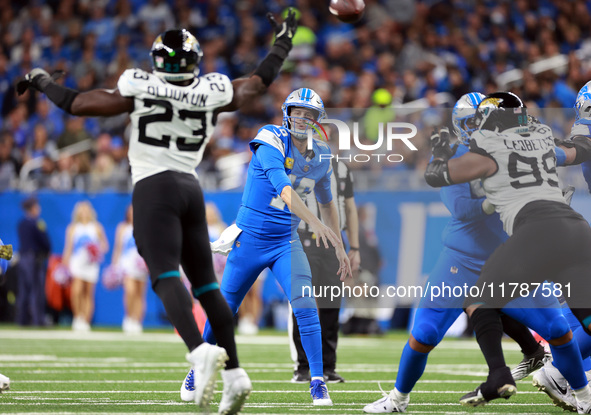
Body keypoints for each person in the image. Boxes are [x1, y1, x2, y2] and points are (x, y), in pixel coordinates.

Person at [18, 11, 299, 413]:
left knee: (165, 275)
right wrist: (283, 40)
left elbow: (78, 104)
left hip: (153, 186)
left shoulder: (139, 82)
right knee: (205, 285)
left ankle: (198, 351)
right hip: (190, 187)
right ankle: (236, 373)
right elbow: (258, 82)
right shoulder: (212, 89)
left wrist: (43, 80)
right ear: (195, 60)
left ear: (157, 61)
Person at [362, 93, 553, 413]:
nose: (479, 127)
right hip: (461, 261)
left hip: (509, 262)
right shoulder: (454, 155)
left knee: (561, 328)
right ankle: (398, 398)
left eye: (483, 119)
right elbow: (461, 208)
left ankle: (576, 385)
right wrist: (495, 200)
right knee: (424, 333)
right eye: (471, 122)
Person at [182, 88, 352, 406]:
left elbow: (329, 203)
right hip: (249, 239)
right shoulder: (270, 137)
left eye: (309, 114)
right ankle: (198, 368)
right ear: (287, 113)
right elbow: (284, 189)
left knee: (306, 304)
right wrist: (314, 224)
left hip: (285, 241)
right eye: (297, 112)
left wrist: (338, 244)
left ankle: (317, 381)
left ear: (317, 120)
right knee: (224, 310)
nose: (302, 118)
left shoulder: (323, 154)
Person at [424, 91, 591, 412]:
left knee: (480, 300)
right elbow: (578, 150)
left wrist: (439, 153)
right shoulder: (542, 137)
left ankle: (501, 374)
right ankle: (554, 370)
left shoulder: (489, 149)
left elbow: (438, 176)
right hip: (573, 227)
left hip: (535, 231)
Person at [290, 158, 360, 384]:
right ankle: (302, 367)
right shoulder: (297, 163)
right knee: (303, 302)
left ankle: (328, 366)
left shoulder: (341, 167)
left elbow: (349, 207)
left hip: (332, 241)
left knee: (331, 304)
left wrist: (354, 246)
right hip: (303, 238)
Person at [62, 200, 108, 332]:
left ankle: (86, 321)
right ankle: (78, 317)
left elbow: (104, 245)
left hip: (91, 264)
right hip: (77, 263)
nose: (84, 213)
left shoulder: (97, 227)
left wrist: (95, 250)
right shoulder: (72, 228)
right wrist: (64, 265)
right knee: (76, 291)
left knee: (88, 293)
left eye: (86, 210)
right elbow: (68, 248)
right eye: (81, 210)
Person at [111, 204, 148, 334]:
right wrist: (114, 266)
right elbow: (118, 248)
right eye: (130, 211)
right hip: (127, 265)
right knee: (130, 291)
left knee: (140, 294)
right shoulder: (122, 228)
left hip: (142, 265)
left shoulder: (145, 227)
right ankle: (129, 317)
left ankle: (137, 321)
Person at [16, 196, 51, 326]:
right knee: (36, 290)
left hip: (22, 258)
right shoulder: (37, 223)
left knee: (23, 290)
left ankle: (22, 320)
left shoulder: (21, 223)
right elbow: (44, 241)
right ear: (32, 208)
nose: (39, 209)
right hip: (34, 259)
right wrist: (47, 251)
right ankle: (38, 320)